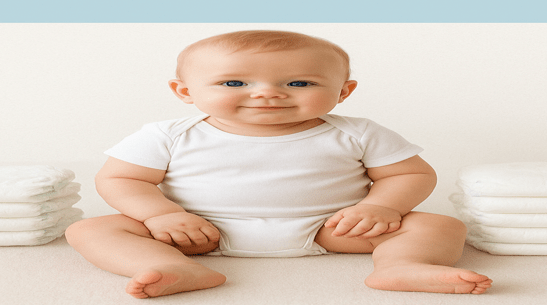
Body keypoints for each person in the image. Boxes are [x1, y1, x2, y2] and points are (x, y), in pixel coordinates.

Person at [65, 30, 492, 298]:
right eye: (235, 82)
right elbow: (121, 178)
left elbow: (410, 173)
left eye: (299, 83)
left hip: (332, 228)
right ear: (184, 91)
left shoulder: (357, 131)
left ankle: (402, 266)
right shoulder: (168, 134)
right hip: (196, 231)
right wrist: (160, 214)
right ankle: (174, 268)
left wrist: (381, 207)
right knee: (90, 228)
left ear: (343, 91)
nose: (267, 93)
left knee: (439, 225)